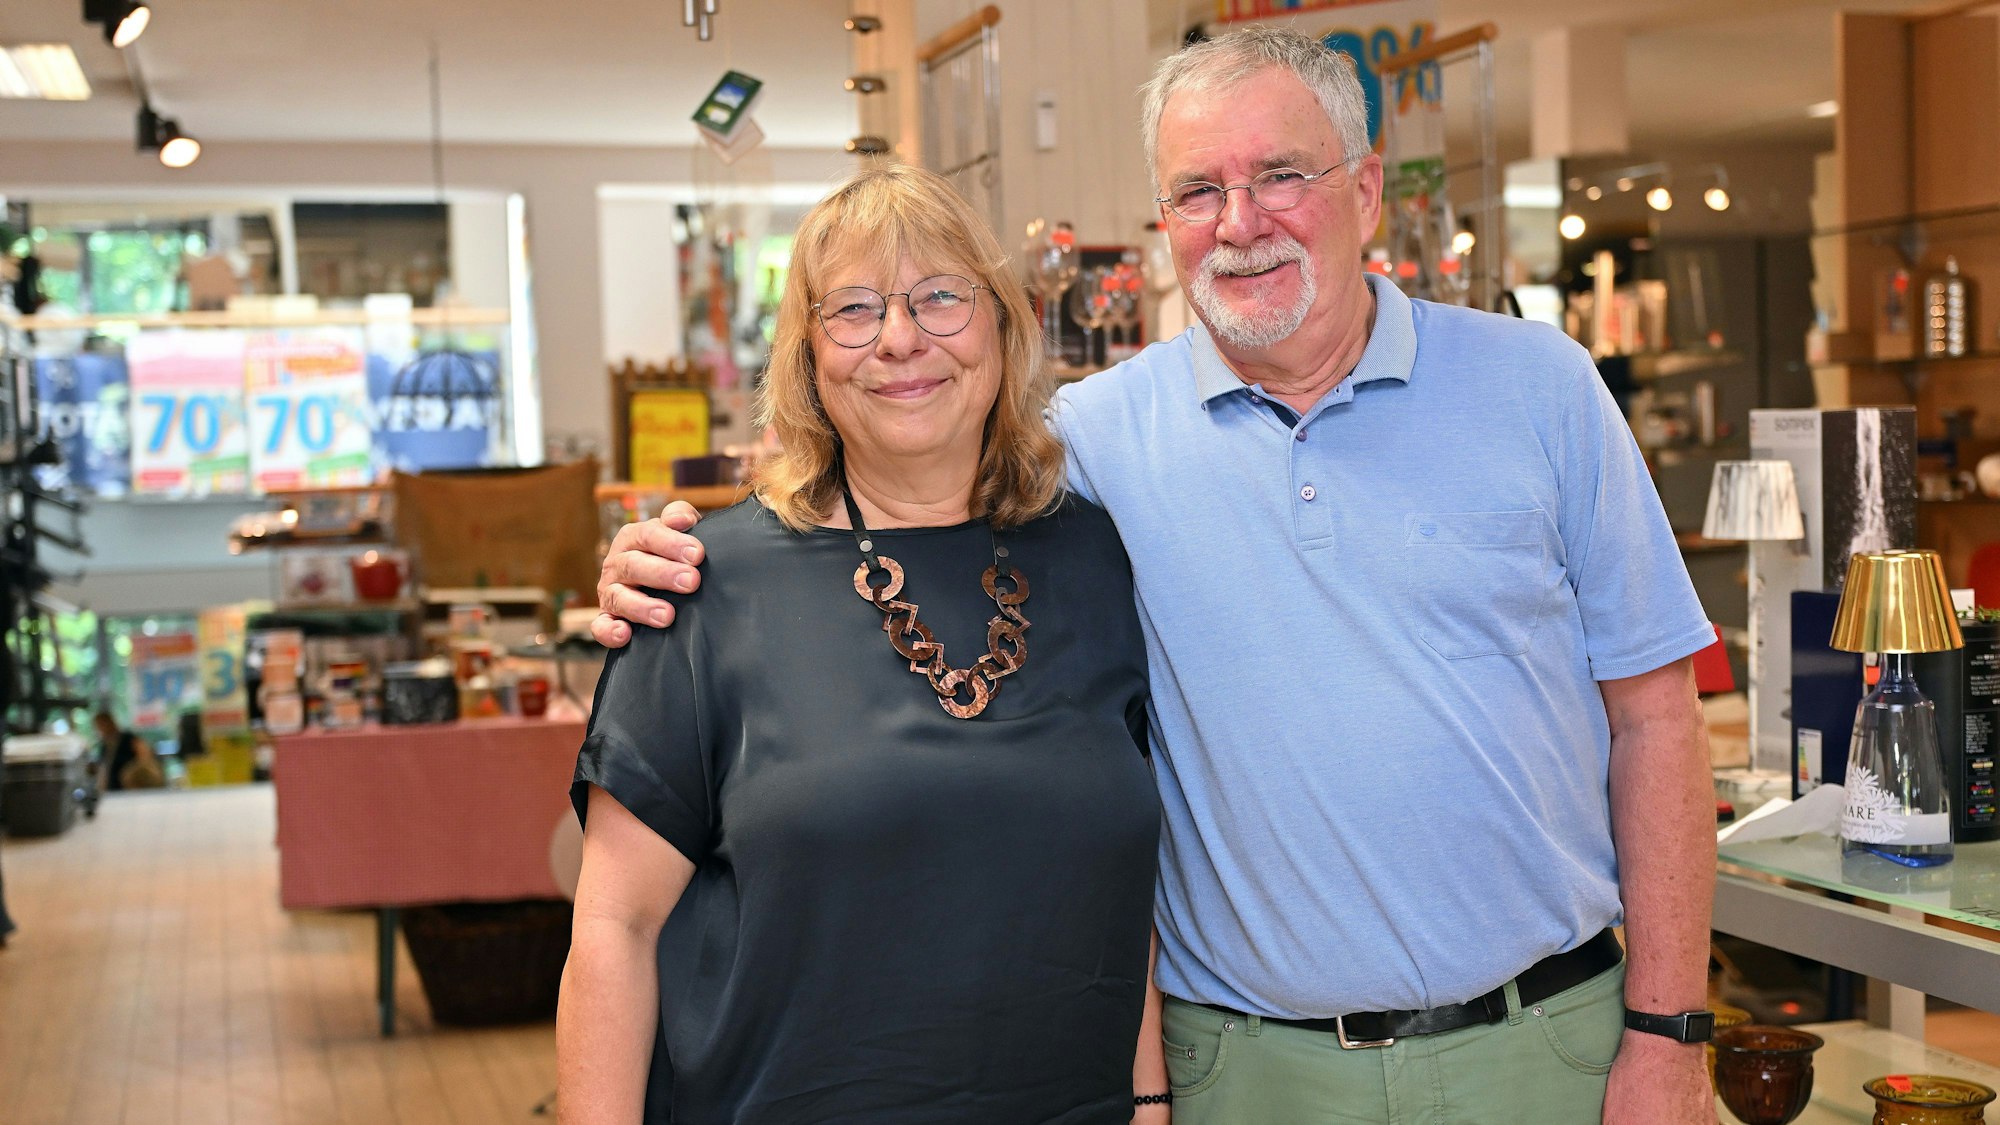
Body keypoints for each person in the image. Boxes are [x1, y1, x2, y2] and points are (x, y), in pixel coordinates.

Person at [596, 26, 1722, 1125]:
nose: (1238, 224)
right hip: (1244, 1075)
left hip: (1544, 1052)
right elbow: (902, 447)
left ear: (1365, 189)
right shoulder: (1087, 446)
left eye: (1280, 174)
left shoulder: (1541, 389)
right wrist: (671, 559)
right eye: (1195, 192)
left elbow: (1655, 720)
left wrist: (1670, 1034)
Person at [558, 163, 1164, 1124]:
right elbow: (614, 927)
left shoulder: (1094, 556)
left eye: (940, 297)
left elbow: (1125, 881)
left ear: (1003, 326)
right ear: (807, 359)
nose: (900, 339)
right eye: (852, 309)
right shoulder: (700, 590)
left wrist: (1149, 1095)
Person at [93, 710, 159, 792]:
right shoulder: (104, 747)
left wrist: (137, 773)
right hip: (113, 789)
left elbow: (145, 755)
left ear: (111, 722)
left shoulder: (127, 738)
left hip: (132, 787)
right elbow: (104, 770)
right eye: (99, 726)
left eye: (103, 724)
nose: (101, 728)